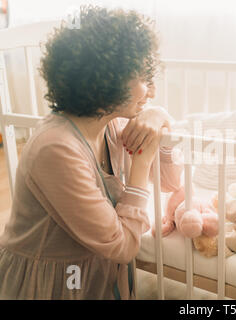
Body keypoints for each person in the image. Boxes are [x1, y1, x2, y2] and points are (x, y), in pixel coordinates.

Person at [0, 6, 183, 299]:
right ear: (107, 80)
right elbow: (123, 247)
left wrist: (161, 118)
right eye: (143, 79)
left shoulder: (114, 124)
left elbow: (171, 182)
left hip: (98, 276)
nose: (151, 92)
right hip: (50, 286)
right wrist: (141, 163)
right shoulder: (55, 148)